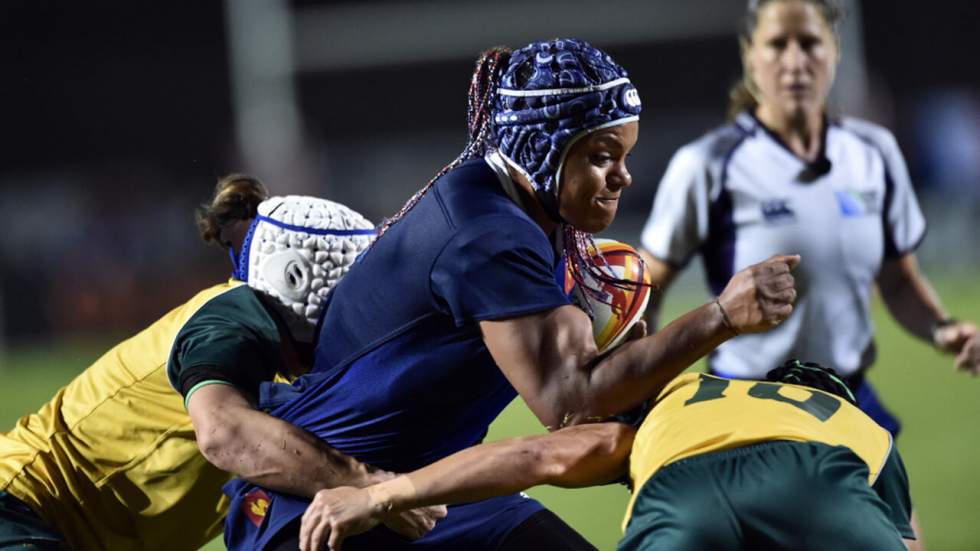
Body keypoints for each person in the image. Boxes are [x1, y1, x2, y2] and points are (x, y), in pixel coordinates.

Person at [223, 38, 800, 550]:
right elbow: (572, 403)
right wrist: (722, 316)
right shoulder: (487, 236)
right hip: (323, 505)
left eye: (624, 155)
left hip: (421, 488)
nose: (622, 176)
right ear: (540, 150)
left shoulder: (515, 205)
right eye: (602, 157)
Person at [0, 175, 441, 550]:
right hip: (21, 510)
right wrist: (369, 487)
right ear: (301, 280)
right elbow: (224, 432)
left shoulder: (288, 354)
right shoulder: (232, 317)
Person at [298, 360, 914, 551]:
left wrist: (379, 494)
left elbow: (533, 457)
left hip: (681, 491)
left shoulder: (675, 401)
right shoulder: (861, 428)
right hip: (823, 481)